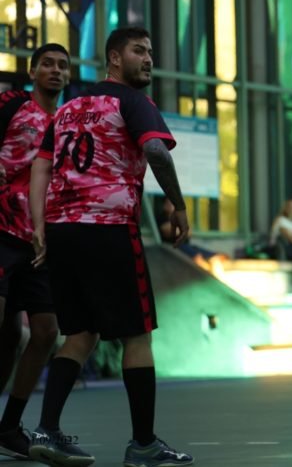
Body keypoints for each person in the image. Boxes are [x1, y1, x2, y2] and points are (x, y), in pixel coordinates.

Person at [27, 27, 194, 466]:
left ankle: (46, 430)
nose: (149, 59)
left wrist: (39, 224)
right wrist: (178, 205)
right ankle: (143, 445)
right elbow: (156, 152)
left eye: (150, 51)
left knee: (80, 334)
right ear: (115, 59)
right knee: (137, 335)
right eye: (139, 51)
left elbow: (41, 167)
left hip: (63, 231)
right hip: (109, 229)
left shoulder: (68, 109)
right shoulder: (133, 102)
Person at [0, 44, 69, 459]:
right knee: (5, 331)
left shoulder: (67, 122)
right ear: (33, 71)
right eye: (47, 64)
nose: (55, 71)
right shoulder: (12, 103)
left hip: (40, 240)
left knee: (44, 332)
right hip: (1, 231)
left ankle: (9, 426)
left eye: (62, 66)